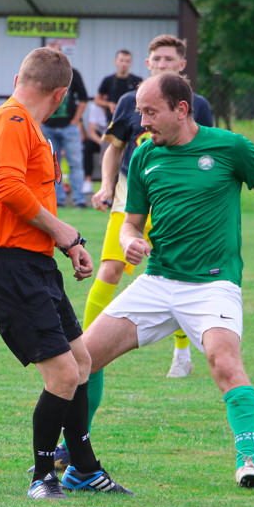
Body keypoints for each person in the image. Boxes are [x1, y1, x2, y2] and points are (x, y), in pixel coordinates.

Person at [84, 72, 254, 490]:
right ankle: (75, 449)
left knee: (225, 362)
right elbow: (130, 223)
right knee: (83, 360)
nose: (142, 123)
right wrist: (130, 241)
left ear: (181, 109)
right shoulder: (146, 155)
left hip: (212, 286)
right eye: (139, 113)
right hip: (158, 281)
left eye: (150, 112)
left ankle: (249, 460)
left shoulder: (231, 147)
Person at [49, 34, 216, 471]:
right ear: (147, 61)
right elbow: (114, 147)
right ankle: (91, 336)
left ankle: (182, 343)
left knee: (175, 274)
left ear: (183, 64)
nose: (162, 63)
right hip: (130, 199)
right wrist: (106, 185)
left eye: (170, 59)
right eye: (156, 58)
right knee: (109, 270)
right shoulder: (130, 102)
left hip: (176, 203)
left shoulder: (196, 105)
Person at [0, 46, 132, 500]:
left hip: (36, 264)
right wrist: (66, 233)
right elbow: (6, 186)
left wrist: (67, 246)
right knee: (63, 374)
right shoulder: (13, 121)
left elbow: (30, 200)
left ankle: (83, 469)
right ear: (61, 94)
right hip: (10, 268)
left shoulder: (27, 126)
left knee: (82, 364)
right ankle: (43, 476)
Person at [39, 41, 88, 209]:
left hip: (69, 127)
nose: (55, 55)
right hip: (48, 127)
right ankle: (57, 201)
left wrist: (76, 121)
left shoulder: (73, 74)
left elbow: (83, 99)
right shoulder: (40, 76)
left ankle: (79, 200)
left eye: (58, 52)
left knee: (75, 163)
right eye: (51, 52)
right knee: (52, 164)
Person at [93, 49, 142, 121]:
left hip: (133, 119)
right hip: (113, 120)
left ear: (131, 63)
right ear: (116, 61)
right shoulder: (108, 80)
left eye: (127, 61)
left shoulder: (138, 80)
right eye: (121, 60)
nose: (124, 64)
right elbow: (97, 100)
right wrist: (109, 104)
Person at [82, 101, 108, 199]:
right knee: (88, 146)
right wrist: (104, 144)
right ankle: (88, 179)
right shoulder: (95, 107)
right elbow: (91, 132)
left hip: (114, 138)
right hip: (100, 138)